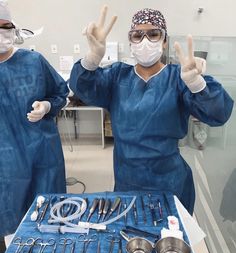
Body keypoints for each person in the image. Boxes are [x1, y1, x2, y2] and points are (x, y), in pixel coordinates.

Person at [69, 6, 234, 215]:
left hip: (170, 182)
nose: (145, 41)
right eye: (137, 35)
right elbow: (81, 86)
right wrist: (92, 58)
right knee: (130, 237)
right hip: (127, 180)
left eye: (153, 34)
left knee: (170, 241)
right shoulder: (117, 76)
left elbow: (219, 114)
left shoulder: (178, 77)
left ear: (164, 40)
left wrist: (197, 83)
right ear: (130, 41)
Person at [0, 2, 69, 238]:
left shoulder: (34, 62)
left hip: (41, 157)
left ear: (13, 29)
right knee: (10, 230)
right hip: (5, 166)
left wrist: (47, 105)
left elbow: (61, 92)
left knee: (49, 222)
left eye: (5, 26)